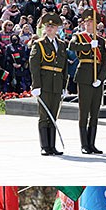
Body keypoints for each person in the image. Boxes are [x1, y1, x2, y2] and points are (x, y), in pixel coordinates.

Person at [68, 9, 106, 155]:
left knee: (94, 111)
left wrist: (100, 78)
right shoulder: (78, 37)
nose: (88, 24)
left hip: (97, 77)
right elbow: (72, 46)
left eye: (91, 21)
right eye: (86, 21)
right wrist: (88, 46)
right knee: (84, 111)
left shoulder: (101, 41)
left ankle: (92, 143)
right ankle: (84, 144)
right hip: (85, 76)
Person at [29, 8, 67, 157]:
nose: (49, 29)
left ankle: (52, 146)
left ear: (57, 28)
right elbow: (34, 66)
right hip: (44, 84)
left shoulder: (62, 44)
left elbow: (64, 67)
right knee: (44, 116)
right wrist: (36, 85)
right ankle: (45, 146)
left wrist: (64, 86)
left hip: (57, 84)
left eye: (52, 26)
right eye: (47, 26)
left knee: (53, 115)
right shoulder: (39, 44)